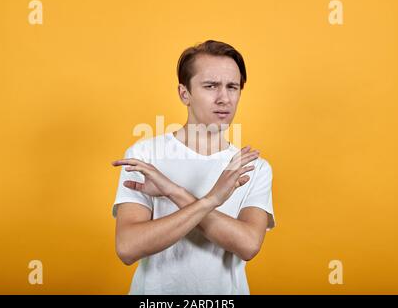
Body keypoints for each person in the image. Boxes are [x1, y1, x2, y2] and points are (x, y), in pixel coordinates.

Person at [111, 39, 276, 294]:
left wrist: (173, 191)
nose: (224, 98)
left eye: (232, 87)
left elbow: (248, 245)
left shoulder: (253, 167)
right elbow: (128, 247)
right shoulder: (145, 156)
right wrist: (211, 200)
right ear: (184, 93)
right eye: (211, 86)